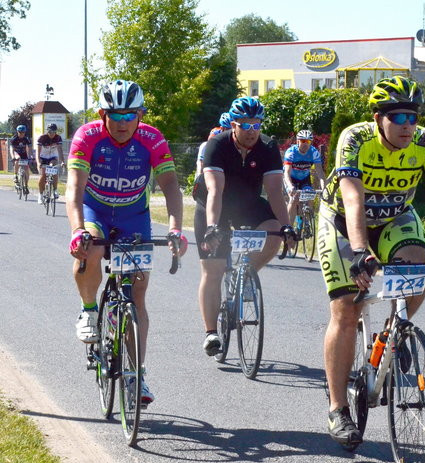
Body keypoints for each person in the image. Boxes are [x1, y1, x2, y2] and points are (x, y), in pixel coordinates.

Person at [318, 75, 425, 449]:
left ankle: (391, 332)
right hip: (343, 220)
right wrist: (360, 252)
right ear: (378, 118)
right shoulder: (355, 139)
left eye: (413, 117)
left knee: (418, 267)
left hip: (394, 217)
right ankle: (338, 408)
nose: (407, 125)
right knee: (346, 308)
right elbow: (353, 199)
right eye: (398, 117)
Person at [66, 79, 188, 406]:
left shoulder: (152, 139)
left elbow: (171, 187)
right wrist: (78, 230)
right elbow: (74, 189)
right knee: (90, 248)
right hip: (95, 210)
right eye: (115, 116)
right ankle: (89, 309)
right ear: (102, 115)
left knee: (137, 295)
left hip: (134, 216)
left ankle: (136, 374)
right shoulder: (87, 136)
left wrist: (176, 229)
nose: (122, 123)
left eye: (129, 116)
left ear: (140, 115)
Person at [193, 96, 294, 355]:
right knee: (213, 270)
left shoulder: (268, 147)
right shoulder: (217, 144)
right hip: (214, 205)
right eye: (246, 125)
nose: (252, 131)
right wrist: (212, 227)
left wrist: (286, 227)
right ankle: (211, 333)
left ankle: (246, 274)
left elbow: (274, 192)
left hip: (247, 204)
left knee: (274, 230)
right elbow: (215, 190)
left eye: (256, 125)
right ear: (233, 125)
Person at [283, 129, 325, 226]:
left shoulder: (314, 152)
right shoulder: (291, 152)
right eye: (303, 141)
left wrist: (324, 188)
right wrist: (290, 186)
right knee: (293, 199)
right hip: (291, 178)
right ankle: (288, 227)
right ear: (297, 141)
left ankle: (306, 223)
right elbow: (287, 173)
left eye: (308, 141)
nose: (305, 144)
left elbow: (320, 173)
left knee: (310, 196)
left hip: (304, 179)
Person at [36, 123, 64, 204]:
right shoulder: (42, 138)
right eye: (50, 132)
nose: (51, 133)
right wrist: (38, 162)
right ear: (47, 131)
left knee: (54, 169)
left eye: (53, 132)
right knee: (43, 175)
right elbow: (37, 152)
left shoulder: (58, 138)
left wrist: (62, 161)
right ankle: (40, 195)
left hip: (52, 157)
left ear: (56, 132)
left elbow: (60, 150)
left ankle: (55, 190)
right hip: (43, 157)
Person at [9, 124, 32, 195]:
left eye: (23, 132)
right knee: (18, 158)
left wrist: (30, 157)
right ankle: (15, 175)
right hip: (16, 152)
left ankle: (26, 186)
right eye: (20, 132)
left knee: (27, 170)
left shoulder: (27, 139)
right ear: (17, 132)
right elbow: (11, 149)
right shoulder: (14, 139)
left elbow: (29, 148)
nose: (21, 134)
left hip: (23, 153)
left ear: (25, 132)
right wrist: (13, 157)